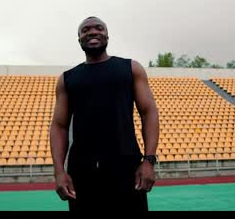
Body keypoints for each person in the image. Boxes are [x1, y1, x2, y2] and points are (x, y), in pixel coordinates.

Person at [49, 16, 160, 211]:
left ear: (107, 35)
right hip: (82, 172)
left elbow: (148, 112)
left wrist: (148, 161)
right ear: (79, 39)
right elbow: (59, 126)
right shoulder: (67, 79)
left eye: (98, 28)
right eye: (85, 30)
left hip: (127, 167)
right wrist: (59, 172)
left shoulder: (131, 68)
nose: (92, 32)